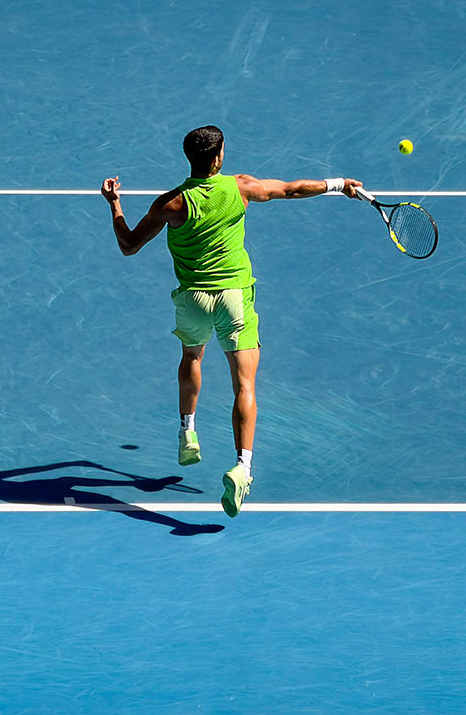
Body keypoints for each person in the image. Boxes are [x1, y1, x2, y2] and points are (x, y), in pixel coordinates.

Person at [101, 125, 362, 517]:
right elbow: (291, 188)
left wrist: (114, 204)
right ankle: (242, 469)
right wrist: (338, 183)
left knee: (192, 358)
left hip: (193, 301)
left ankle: (188, 432)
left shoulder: (171, 204)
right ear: (218, 157)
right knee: (245, 382)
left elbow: (129, 245)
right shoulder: (240, 188)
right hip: (235, 302)